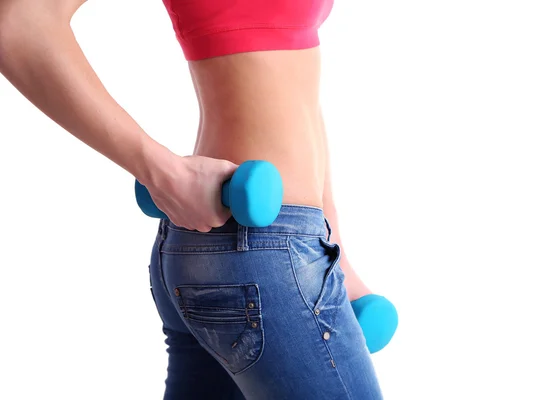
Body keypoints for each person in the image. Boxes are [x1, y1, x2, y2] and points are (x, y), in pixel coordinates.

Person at [0, 0, 384, 398]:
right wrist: (160, 170)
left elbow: (295, 84)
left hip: (267, 246)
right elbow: (20, 22)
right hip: (258, 250)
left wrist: (332, 238)